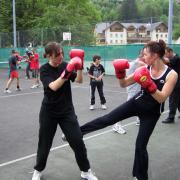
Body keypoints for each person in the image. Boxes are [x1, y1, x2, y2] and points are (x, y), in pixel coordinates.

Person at [80, 40, 178, 180]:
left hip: (152, 113)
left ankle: (140, 176)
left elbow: (161, 98)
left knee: (140, 146)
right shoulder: (143, 69)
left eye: (145, 55)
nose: (143, 58)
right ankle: (78, 132)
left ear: (155, 55)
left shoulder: (171, 75)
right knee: (108, 118)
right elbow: (124, 83)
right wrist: (120, 74)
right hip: (137, 102)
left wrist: (148, 85)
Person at [32, 42, 98, 180]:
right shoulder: (44, 70)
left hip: (66, 111)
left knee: (77, 141)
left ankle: (85, 171)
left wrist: (79, 67)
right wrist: (67, 71)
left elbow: (79, 80)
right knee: (45, 143)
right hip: (49, 112)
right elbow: (53, 87)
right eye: (58, 55)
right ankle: (38, 170)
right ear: (49, 55)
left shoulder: (64, 64)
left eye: (62, 53)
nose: (61, 56)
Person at [112, 49, 146, 134]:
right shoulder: (139, 63)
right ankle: (117, 125)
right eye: (145, 54)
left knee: (141, 105)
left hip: (137, 88)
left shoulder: (133, 63)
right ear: (141, 55)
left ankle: (138, 120)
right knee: (126, 109)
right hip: (134, 90)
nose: (147, 57)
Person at [162, 47, 180, 123]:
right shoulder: (175, 59)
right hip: (177, 83)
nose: (165, 55)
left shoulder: (176, 58)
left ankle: (171, 117)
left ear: (170, 52)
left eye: (166, 54)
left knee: (172, 100)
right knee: (178, 100)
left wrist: (159, 54)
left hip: (176, 83)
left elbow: (165, 60)